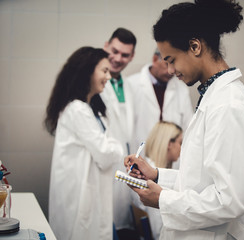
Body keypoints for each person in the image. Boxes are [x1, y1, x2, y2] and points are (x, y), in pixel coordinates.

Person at [125, 0, 244, 239]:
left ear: (195, 46)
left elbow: (229, 200)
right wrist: (157, 175)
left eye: (171, 59)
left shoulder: (228, 105)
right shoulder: (213, 97)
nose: (169, 70)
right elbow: (201, 180)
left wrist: (163, 199)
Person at [45, 47, 123, 240]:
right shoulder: (77, 110)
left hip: (91, 192)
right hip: (79, 196)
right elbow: (105, 154)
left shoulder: (91, 110)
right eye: (104, 71)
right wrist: (116, 146)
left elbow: (105, 149)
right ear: (87, 71)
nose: (108, 77)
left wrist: (111, 146)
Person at [101, 28, 139, 239]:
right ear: (106, 45)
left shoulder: (129, 86)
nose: (117, 58)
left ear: (132, 57)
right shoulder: (93, 82)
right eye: (114, 51)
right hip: (104, 164)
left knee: (120, 226)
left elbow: (128, 131)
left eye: (125, 55)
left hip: (123, 166)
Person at [127, 48, 193, 167]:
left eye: (175, 65)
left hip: (172, 162)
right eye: (167, 64)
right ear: (154, 59)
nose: (171, 70)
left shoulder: (181, 89)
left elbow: (189, 128)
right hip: (140, 155)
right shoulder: (131, 85)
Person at [132, 121, 183, 240]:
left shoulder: (156, 170)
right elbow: (158, 229)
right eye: (180, 143)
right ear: (169, 144)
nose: (182, 148)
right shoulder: (149, 180)